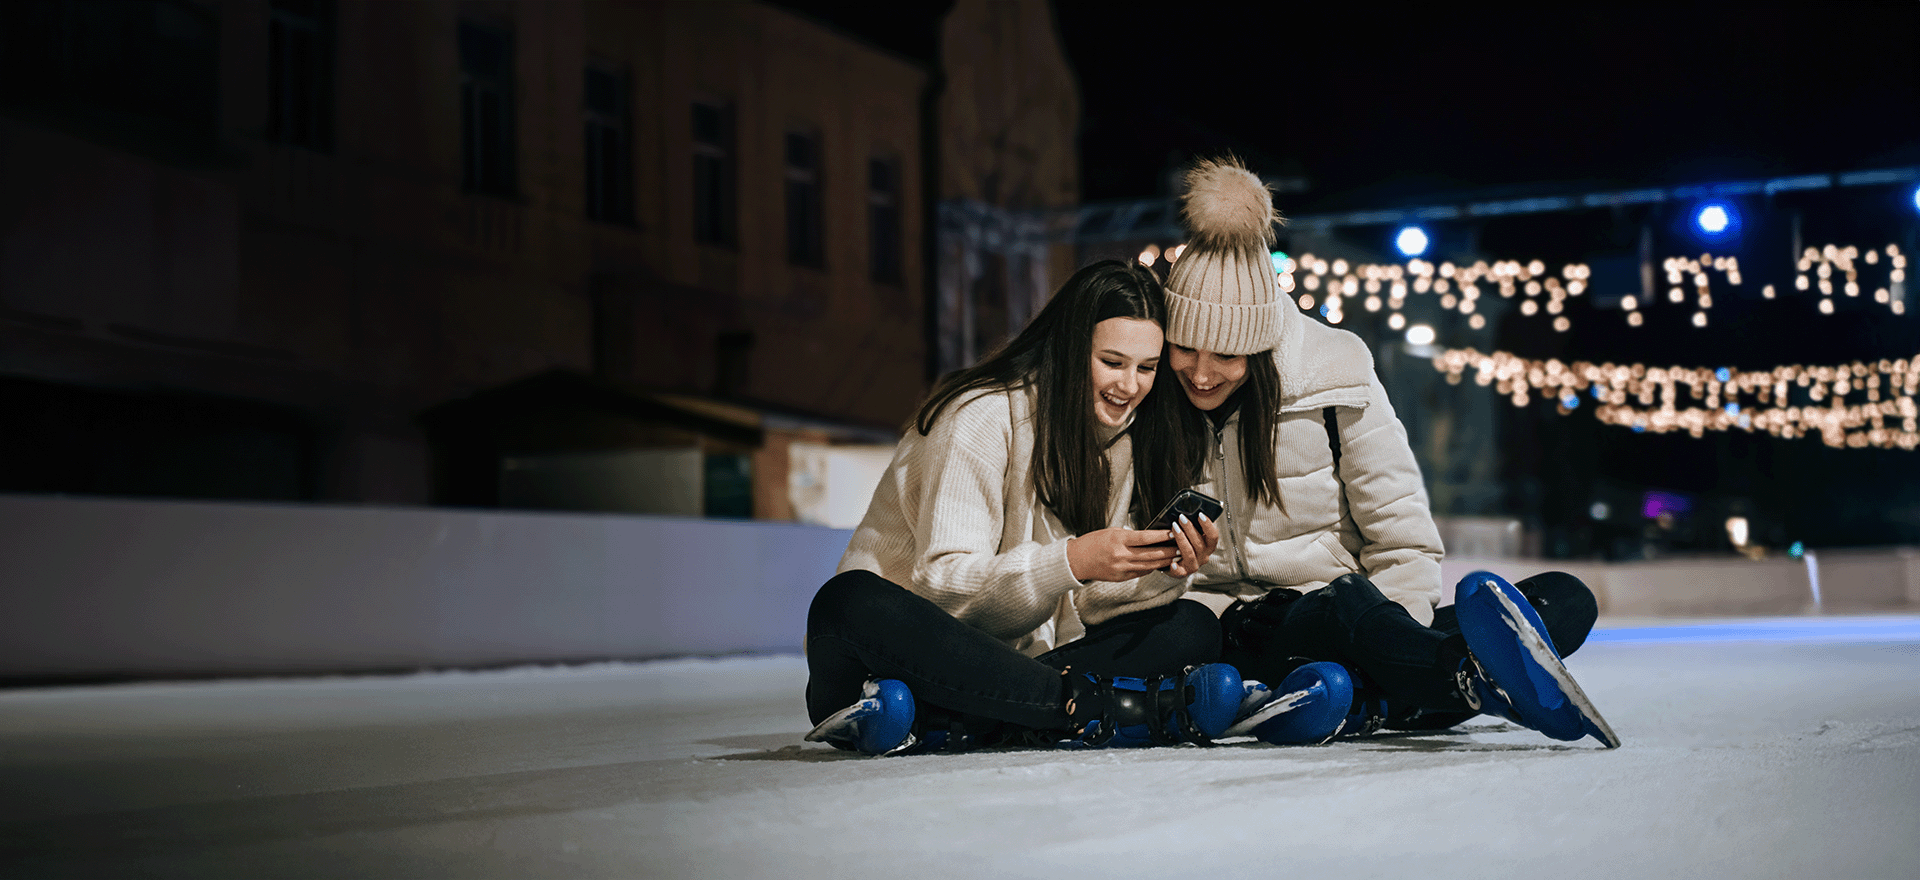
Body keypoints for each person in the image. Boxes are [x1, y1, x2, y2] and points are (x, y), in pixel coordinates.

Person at [1151, 157, 1619, 748]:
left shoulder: (1334, 375)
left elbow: (1400, 532)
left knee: (1565, 598)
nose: (1199, 373)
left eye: (1225, 354)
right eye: (1185, 348)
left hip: (1361, 619)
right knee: (1344, 608)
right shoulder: (1151, 402)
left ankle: (1362, 698)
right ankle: (1458, 683)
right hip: (1237, 632)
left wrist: (1395, 640)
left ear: (1257, 343)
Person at [803, 259, 1245, 756]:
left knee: (1191, 625)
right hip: (908, 653)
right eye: (1113, 362)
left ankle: (962, 722)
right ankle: (1109, 709)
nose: (1130, 386)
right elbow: (943, 591)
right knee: (848, 601)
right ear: (1071, 348)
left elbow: (1087, 608)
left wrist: (1159, 569)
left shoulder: (1123, 441)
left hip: (1008, 673)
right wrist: (1072, 560)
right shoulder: (981, 416)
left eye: (1146, 368)